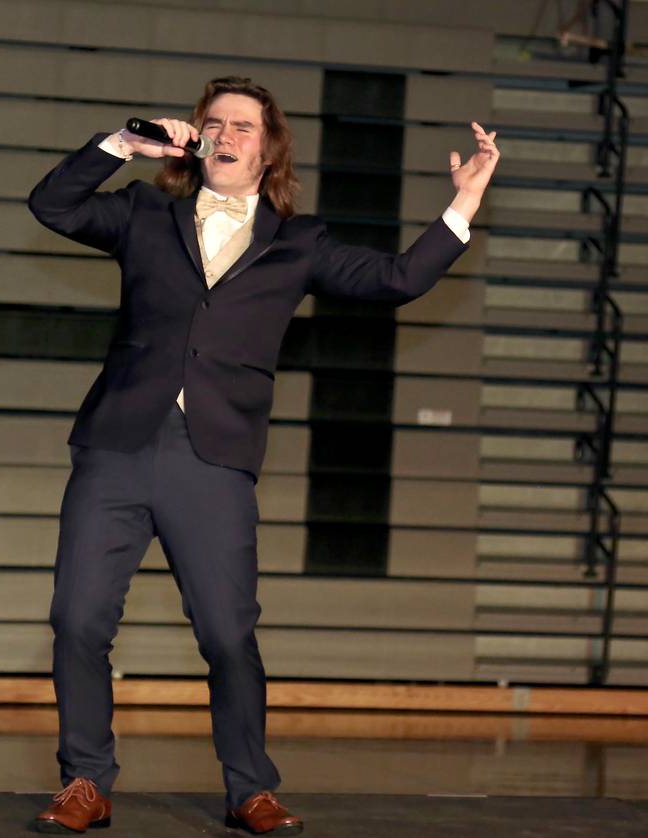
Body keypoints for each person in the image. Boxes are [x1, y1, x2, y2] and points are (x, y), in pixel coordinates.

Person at [27, 75, 499, 835]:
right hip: (116, 445)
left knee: (225, 633)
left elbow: (398, 280)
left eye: (245, 126)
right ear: (197, 136)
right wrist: (125, 144)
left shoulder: (299, 241)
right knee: (78, 619)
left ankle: (250, 786)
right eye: (216, 122)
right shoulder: (147, 212)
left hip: (213, 458)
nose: (227, 135)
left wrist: (465, 201)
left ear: (268, 148)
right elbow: (51, 206)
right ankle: (85, 780)